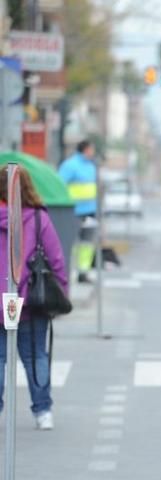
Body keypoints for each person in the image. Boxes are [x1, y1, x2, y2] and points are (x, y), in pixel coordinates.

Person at [0, 168, 69, 430]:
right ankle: (43, 411)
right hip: (30, 299)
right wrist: (59, 296)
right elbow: (56, 260)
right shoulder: (38, 219)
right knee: (35, 355)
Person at [57, 140, 97, 283]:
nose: (93, 153)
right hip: (73, 211)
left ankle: (83, 272)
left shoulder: (91, 166)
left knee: (87, 243)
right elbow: (60, 184)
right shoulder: (70, 165)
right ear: (85, 149)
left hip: (90, 211)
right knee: (70, 243)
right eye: (92, 149)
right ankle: (67, 272)